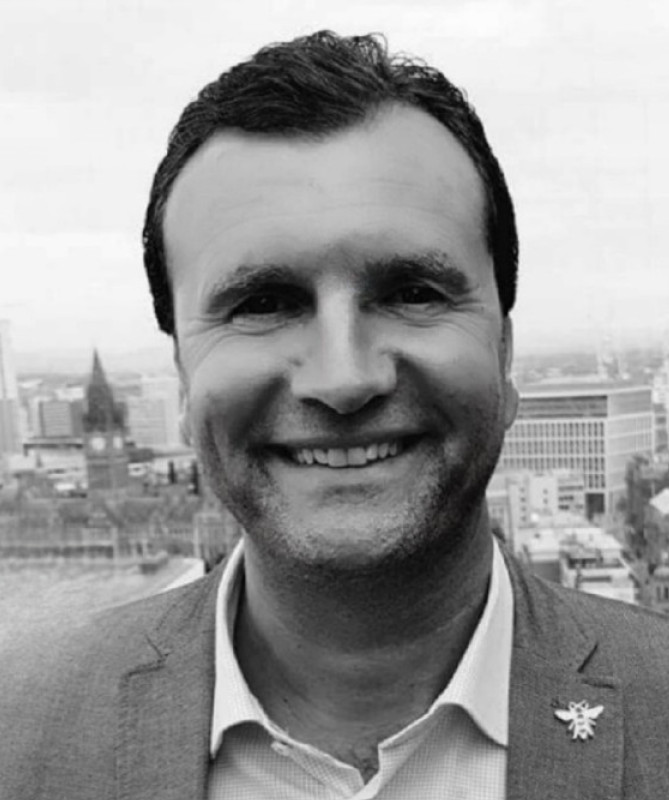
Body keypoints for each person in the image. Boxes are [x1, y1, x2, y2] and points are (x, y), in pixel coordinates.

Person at [1, 30, 668, 800]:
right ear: (183, 379)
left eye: (412, 292)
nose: (343, 377)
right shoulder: (21, 736)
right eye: (262, 303)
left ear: (505, 351)